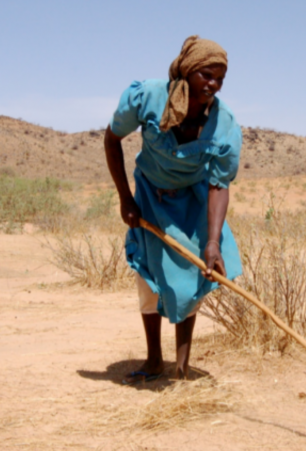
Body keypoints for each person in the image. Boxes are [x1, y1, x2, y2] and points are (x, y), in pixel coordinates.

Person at [104, 35, 243, 384]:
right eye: (207, 75)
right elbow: (112, 139)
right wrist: (125, 198)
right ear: (188, 70)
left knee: (194, 276)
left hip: (193, 201)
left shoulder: (224, 123)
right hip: (149, 196)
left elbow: (219, 185)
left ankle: (181, 369)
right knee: (148, 277)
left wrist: (212, 241)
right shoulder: (148, 97)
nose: (213, 84)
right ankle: (154, 360)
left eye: (220, 79)